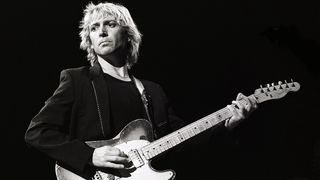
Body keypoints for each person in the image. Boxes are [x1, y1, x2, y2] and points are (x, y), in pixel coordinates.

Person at [24, 1, 257, 179]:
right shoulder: (78, 80)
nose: (102, 31)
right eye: (94, 28)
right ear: (89, 40)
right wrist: (90, 156)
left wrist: (228, 123)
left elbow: (184, 142)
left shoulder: (153, 92)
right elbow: (37, 132)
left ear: (128, 34)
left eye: (110, 24)